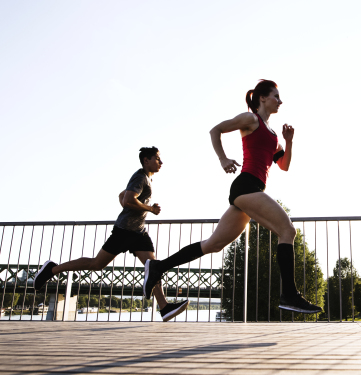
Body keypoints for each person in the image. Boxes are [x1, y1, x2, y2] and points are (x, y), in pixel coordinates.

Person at [143, 80, 322, 314]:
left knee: (213, 245)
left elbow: (284, 165)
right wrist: (223, 159)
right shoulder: (251, 120)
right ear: (262, 99)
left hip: (252, 192)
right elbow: (215, 130)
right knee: (287, 231)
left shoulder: (273, 135)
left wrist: (288, 142)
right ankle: (289, 294)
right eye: (276, 96)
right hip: (246, 187)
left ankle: (158, 267)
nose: (280, 101)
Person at [33, 147, 189, 322]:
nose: (161, 162)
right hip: (124, 231)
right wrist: (150, 209)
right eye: (158, 159)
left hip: (138, 232)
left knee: (153, 267)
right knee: (96, 264)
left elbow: (122, 197)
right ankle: (52, 269)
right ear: (146, 160)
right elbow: (128, 200)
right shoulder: (140, 177)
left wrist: (136, 204)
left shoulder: (144, 178)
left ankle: (164, 307)